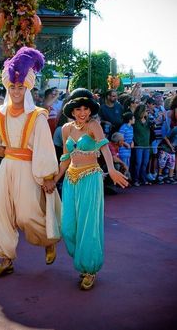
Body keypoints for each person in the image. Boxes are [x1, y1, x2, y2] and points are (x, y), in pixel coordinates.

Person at [0, 47, 61, 278]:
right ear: (7, 86)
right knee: (1, 213)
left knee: (26, 214)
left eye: (20, 86)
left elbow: (44, 148)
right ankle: (5, 259)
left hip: (28, 169)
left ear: (27, 86)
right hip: (6, 168)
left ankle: (48, 239)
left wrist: (47, 177)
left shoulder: (37, 116)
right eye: (12, 86)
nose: (15, 91)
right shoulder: (0, 113)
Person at [53, 88, 128, 290]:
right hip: (70, 180)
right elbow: (65, 158)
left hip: (91, 178)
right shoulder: (66, 129)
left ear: (90, 110)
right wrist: (54, 180)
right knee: (68, 227)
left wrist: (111, 170)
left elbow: (104, 148)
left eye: (86, 108)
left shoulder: (94, 125)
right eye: (78, 108)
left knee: (88, 226)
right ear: (72, 109)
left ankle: (89, 269)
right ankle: (82, 258)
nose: (82, 112)